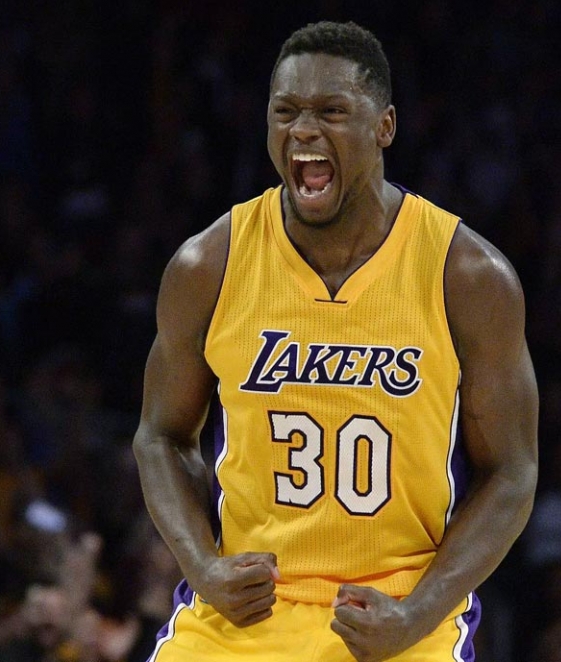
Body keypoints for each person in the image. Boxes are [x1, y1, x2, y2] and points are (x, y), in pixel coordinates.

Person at [132, 19, 538, 662]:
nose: (303, 130)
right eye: (285, 111)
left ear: (385, 127)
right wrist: (203, 567)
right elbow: (160, 435)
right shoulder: (208, 265)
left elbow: (511, 472)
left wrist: (418, 612)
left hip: (397, 611)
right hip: (248, 608)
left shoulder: (467, 275)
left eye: (331, 111)